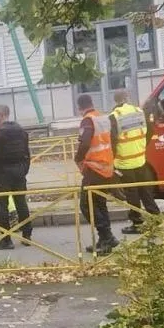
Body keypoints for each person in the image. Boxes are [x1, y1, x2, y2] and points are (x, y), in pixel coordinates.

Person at [110, 89, 161, 234]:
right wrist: (142, 145)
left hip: (125, 163)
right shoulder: (139, 111)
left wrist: (112, 160)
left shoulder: (114, 116)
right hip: (140, 159)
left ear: (116, 101)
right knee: (145, 191)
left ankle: (137, 223)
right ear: (127, 98)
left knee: (132, 193)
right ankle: (155, 218)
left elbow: (112, 141)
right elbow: (150, 130)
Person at [74, 94, 119, 254]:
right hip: (106, 167)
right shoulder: (103, 118)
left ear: (80, 107)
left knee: (86, 205)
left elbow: (85, 142)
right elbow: (114, 139)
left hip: (94, 169)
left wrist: (77, 158)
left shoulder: (88, 120)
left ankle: (107, 237)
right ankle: (105, 238)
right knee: (100, 203)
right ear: (92, 103)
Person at [0, 104, 32, 250]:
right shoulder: (21, 131)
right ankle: (27, 235)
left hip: (2, 173)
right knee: (21, 203)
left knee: (2, 206)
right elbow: (27, 154)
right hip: (19, 171)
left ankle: (6, 239)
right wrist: (24, 170)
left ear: (0, 115)